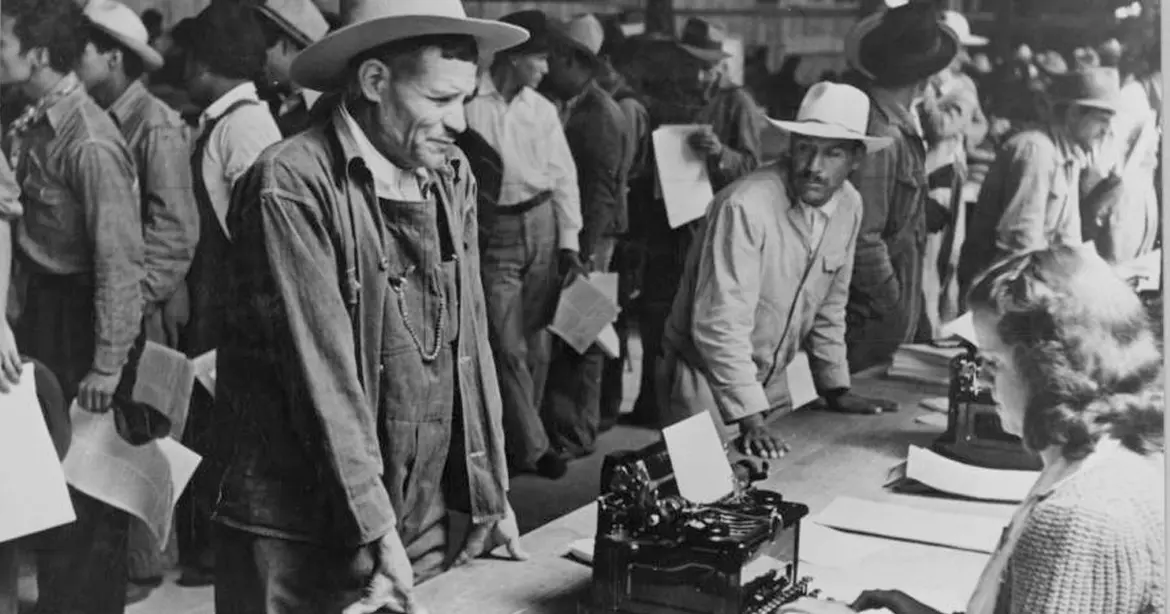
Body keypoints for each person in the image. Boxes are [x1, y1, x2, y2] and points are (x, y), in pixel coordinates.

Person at [212, 0, 530, 611]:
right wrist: (376, 530)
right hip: (295, 526)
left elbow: (470, 342)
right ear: (375, 82)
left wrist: (490, 495)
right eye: (440, 100)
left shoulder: (449, 172)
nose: (460, 122)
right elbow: (320, 376)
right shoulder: (289, 183)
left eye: (466, 99)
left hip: (413, 506)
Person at [781, 244, 1164, 614]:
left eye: (992, 364)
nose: (981, 382)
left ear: (1048, 371)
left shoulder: (1079, 520)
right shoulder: (1105, 463)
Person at [658, 82, 898, 459]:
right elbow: (720, 323)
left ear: (856, 159)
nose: (813, 167)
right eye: (804, 148)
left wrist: (834, 386)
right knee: (702, 499)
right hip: (706, 381)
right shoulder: (744, 207)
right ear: (790, 147)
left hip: (771, 379)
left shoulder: (849, 205)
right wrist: (751, 418)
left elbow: (830, 305)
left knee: (777, 487)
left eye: (832, 153)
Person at [1, 0, 145, 611]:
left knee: (89, 498)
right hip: (44, 313)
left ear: (36, 55)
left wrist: (108, 366)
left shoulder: (86, 140)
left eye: (1, 43)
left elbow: (121, 262)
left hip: (84, 325)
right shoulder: (27, 118)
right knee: (51, 493)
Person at [74, 0, 201, 592]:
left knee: (144, 435)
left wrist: (128, 298)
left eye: (83, 52)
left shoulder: (153, 124)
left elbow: (176, 232)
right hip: (125, 307)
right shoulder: (103, 117)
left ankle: (145, 565)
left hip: (144, 311)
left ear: (113, 57)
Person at [171, 2, 281, 587]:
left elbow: (261, 231)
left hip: (229, 303)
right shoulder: (217, 121)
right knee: (207, 427)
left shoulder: (244, 126)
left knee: (223, 430)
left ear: (207, 61)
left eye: (188, 56)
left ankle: (217, 552)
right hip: (208, 297)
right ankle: (206, 547)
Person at [463, 9, 581, 479]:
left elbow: (563, 177)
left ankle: (514, 442)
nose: (547, 69)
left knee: (537, 347)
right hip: (496, 233)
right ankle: (534, 447)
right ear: (514, 58)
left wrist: (569, 241)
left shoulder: (541, 110)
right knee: (506, 345)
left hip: (543, 224)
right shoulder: (469, 104)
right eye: (541, 59)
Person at [841, 2, 958, 373]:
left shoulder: (896, 125)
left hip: (887, 301)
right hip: (871, 314)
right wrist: (891, 305)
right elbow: (864, 236)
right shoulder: (883, 134)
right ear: (924, 80)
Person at [538, 15, 630, 459]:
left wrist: (586, 254)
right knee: (576, 335)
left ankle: (576, 433)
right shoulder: (577, 106)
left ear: (575, 61)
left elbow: (600, 195)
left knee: (584, 337)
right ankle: (570, 426)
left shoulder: (598, 116)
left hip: (595, 244)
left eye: (553, 59)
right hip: (588, 242)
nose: (546, 68)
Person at [957, 68, 1119, 298]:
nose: (1106, 131)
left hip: (1032, 282)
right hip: (998, 291)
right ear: (1073, 113)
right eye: (1101, 121)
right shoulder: (1036, 152)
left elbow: (1069, 241)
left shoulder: (1069, 157)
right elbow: (1017, 246)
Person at [919, 10, 989, 329]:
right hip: (924, 175)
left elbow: (942, 128)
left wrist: (928, 94)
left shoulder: (961, 87)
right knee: (921, 258)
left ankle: (937, 326)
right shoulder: (936, 83)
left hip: (944, 179)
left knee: (942, 257)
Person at [677, 17, 774, 192]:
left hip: (718, 206)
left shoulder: (738, 103)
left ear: (720, 65)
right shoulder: (674, 97)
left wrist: (720, 151)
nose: (698, 76)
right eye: (691, 66)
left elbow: (752, 167)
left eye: (707, 68)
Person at [253, 0, 330, 136]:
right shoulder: (268, 102)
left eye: (263, 44)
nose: (256, 57)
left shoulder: (330, 110)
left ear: (286, 45)